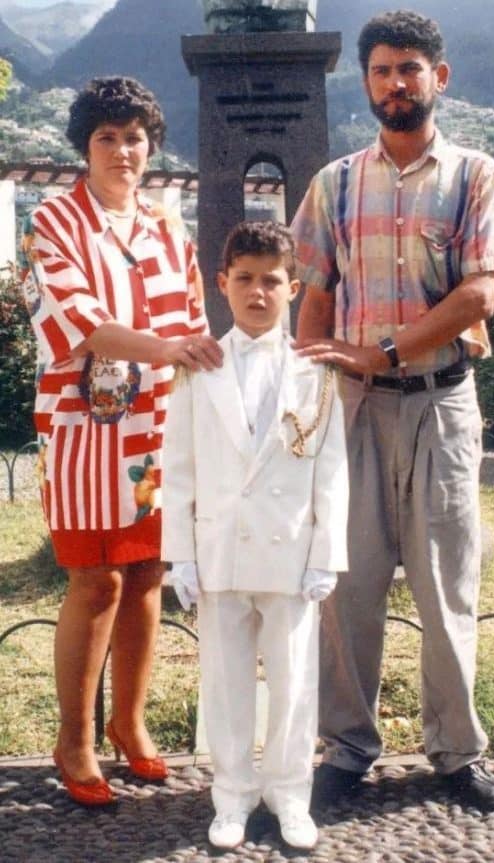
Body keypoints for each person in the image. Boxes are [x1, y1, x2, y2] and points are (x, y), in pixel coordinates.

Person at [291, 10, 494, 813]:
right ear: (365, 82)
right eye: (383, 69)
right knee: (344, 586)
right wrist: (311, 390)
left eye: (411, 68)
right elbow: (314, 297)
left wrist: (383, 351)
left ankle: (455, 751)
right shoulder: (334, 183)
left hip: (437, 404)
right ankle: (346, 747)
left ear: (440, 78)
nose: (397, 82)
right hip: (352, 412)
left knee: (444, 586)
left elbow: (477, 293)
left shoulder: (474, 176)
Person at [23, 76, 223, 806]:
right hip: (81, 428)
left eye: (134, 136)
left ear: (151, 144)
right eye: (106, 137)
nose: (122, 150)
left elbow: (194, 314)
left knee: (145, 575)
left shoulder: (168, 226)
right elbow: (76, 323)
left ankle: (129, 724)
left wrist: (191, 360)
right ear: (86, 146)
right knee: (95, 578)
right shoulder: (52, 220)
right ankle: (74, 738)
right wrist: (169, 348)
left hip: (156, 426)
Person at [161, 221, 349, 849]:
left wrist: (326, 554)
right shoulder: (198, 367)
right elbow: (179, 469)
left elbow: (331, 470)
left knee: (295, 682)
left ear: (293, 288)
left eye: (272, 281)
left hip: (290, 551)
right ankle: (233, 794)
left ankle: (291, 794)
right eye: (244, 279)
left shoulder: (314, 370)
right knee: (225, 679)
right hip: (220, 549)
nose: (258, 292)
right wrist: (179, 557)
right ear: (223, 284)